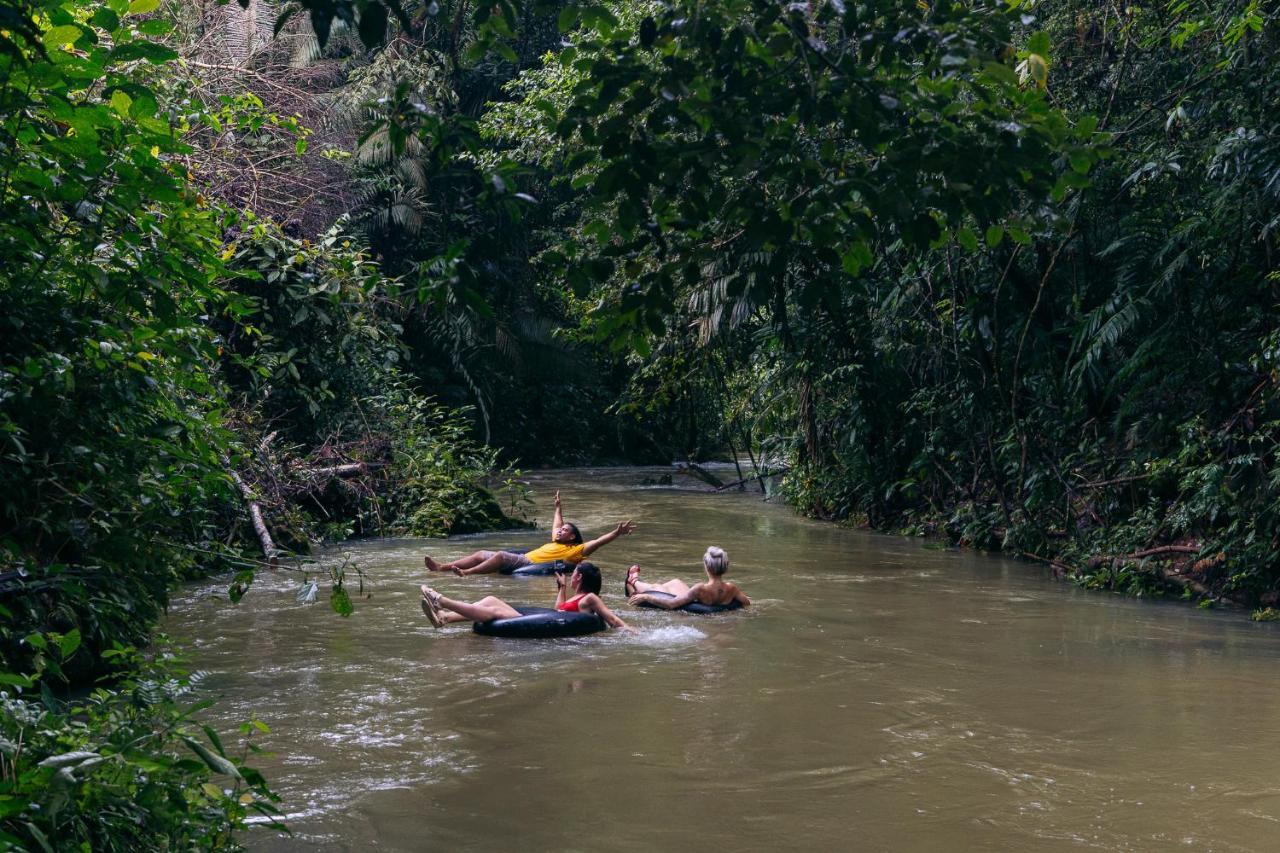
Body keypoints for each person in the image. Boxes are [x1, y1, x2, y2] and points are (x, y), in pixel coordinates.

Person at [423, 490, 636, 576]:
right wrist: (558, 507)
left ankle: (467, 574)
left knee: (499, 555)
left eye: (565, 530)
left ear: (572, 537)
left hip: (526, 563)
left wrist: (616, 534)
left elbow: (597, 542)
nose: (560, 531)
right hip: (523, 558)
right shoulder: (557, 540)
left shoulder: (576, 551)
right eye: (561, 529)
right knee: (480, 552)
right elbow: (556, 524)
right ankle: (442, 567)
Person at [419, 562, 633, 631]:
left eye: (574, 572)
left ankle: (442, 601)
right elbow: (558, 611)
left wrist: (631, 631)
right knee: (490, 599)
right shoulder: (574, 598)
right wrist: (561, 588)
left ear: (580, 577)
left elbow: (612, 619)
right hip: (553, 621)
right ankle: (445, 618)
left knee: (493, 611)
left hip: (554, 628)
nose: (571, 574)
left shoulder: (591, 599)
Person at [625, 546, 751, 610]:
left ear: (707, 567)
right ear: (725, 567)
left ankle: (633, 581)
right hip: (703, 601)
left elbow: (671, 604)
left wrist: (647, 597)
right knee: (676, 582)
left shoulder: (700, 589)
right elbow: (747, 603)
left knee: (658, 587)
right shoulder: (732, 589)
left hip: (694, 604)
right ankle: (633, 582)